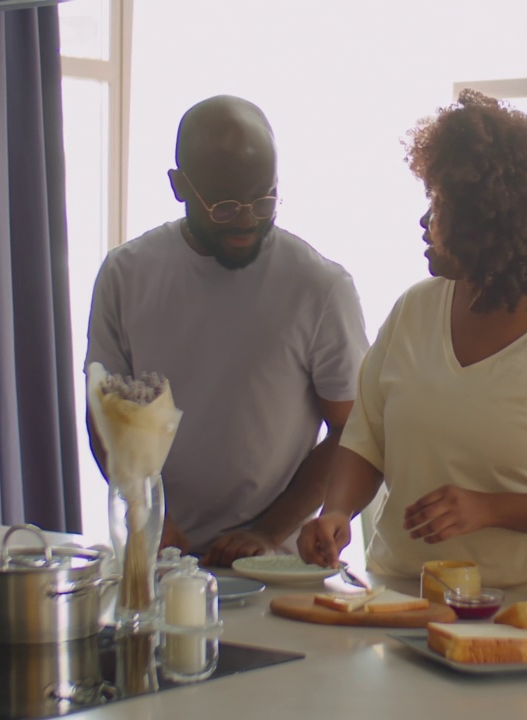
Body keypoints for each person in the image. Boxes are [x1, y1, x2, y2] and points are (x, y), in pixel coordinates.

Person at [297, 90, 527, 594]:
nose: (424, 222)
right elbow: (365, 438)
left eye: (439, 207)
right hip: (403, 597)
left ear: (490, 224)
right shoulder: (414, 310)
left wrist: (490, 509)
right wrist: (337, 511)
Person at [85, 95, 368, 567]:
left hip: (273, 565)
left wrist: (267, 531)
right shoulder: (125, 274)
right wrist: (147, 513)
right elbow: (104, 413)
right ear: (179, 186)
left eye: (263, 201)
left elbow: (353, 430)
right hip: (160, 559)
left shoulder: (318, 287)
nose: (245, 220)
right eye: (223, 206)